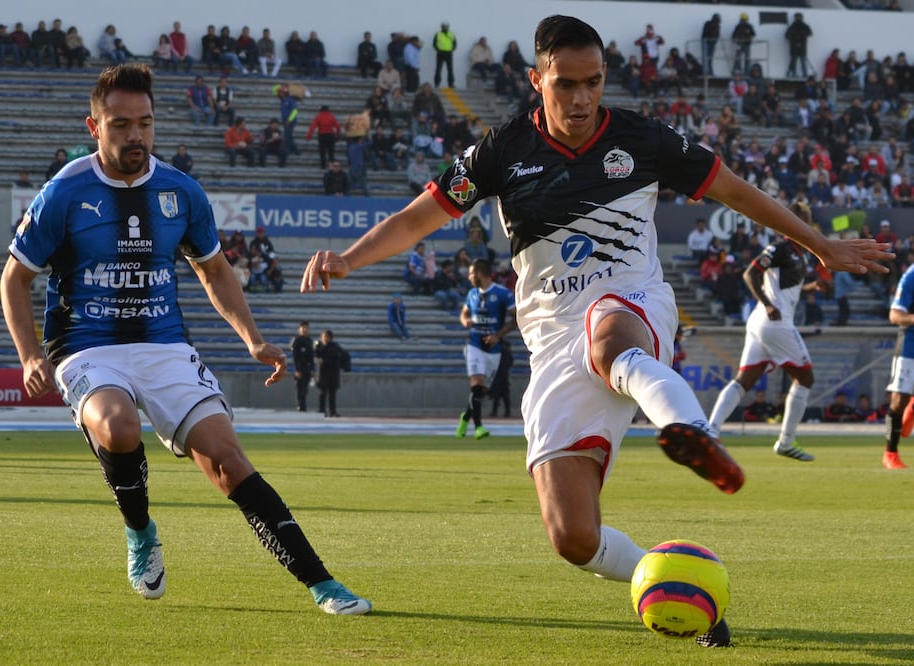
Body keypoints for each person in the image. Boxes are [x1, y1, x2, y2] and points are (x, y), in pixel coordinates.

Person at [299, 15, 892, 647]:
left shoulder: (644, 138)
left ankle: (690, 428)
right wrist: (349, 258)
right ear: (537, 80)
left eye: (594, 82)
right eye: (566, 84)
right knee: (573, 537)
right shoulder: (499, 152)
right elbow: (419, 217)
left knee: (609, 338)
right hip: (552, 335)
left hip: (631, 300)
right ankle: (679, 585)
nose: (582, 98)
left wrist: (820, 244)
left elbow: (734, 191)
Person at [0, 63, 370, 614]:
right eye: (121, 125)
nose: (136, 135)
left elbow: (214, 270)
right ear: (94, 127)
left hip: (165, 345)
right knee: (119, 426)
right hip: (86, 345)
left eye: (145, 123)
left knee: (228, 462)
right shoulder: (64, 193)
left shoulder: (181, 191)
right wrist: (29, 354)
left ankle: (322, 584)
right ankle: (140, 531)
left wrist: (252, 339)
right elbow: (15, 277)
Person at [708, 202, 828, 463]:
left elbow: (786, 287)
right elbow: (750, 274)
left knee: (744, 380)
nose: (804, 223)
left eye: (805, 218)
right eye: (799, 218)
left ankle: (711, 431)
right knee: (806, 378)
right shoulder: (780, 247)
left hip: (764, 322)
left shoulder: (799, 253)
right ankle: (786, 441)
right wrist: (767, 303)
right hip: (775, 321)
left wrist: (811, 287)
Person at [455, 258, 516, 440]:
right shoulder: (472, 294)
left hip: (493, 347)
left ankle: (465, 418)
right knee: (477, 384)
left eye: (471, 273)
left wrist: (498, 335)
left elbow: (516, 318)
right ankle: (479, 427)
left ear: (480, 273)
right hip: (474, 344)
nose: (469, 276)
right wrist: (465, 321)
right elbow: (464, 313)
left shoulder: (503, 294)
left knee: (481, 391)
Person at [882, 259, 914, 469]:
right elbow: (895, 314)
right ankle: (890, 453)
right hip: (910, 345)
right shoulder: (911, 276)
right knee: (898, 400)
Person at [315, 329, 346, 417]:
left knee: (332, 394)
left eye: (327, 337)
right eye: (323, 337)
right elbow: (315, 356)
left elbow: (342, 356)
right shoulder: (319, 347)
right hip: (323, 374)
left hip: (333, 374)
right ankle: (322, 410)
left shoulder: (335, 347)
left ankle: (333, 411)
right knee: (323, 393)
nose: (325, 339)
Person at [306, 105, 342, 170]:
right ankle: (331, 166)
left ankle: (323, 166)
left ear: (321, 110)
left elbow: (312, 127)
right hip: (330, 136)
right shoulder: (331, 117)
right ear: (328, 110)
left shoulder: (318, 117)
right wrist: (338, 135)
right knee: (331, 152)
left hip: (322, 136)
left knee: (322, 152)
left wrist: (309, 136)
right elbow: (338, 127)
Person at [291, 321, 316, 412]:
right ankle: (300, 405)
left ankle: (303, 405)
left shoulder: (310, 341)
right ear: (299, 329)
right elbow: (295, 357)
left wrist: (312, 369)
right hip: (300, 368)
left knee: (305, 388)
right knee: (299, 388)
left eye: (306, 328)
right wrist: (297, 370)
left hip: (307, 369)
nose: (305, 330)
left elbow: (311, 357)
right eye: (303, 328)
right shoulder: (297, 341)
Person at [489, 339, 514, 419]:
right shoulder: (508, 350)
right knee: (505, 395)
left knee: (497, 395)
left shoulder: (498, 350)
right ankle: (507, 411)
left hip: (498, 374)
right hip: (505, 374)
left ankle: (495, 411)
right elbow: (511, 362)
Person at [785, 13, 812, 79]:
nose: (797, 18)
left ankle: (804, 74)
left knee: (802, 61)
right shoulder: (792, 26)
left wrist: (801, 37)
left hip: (801, 47)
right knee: (794, 62)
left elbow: (810, 33)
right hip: (795, 47)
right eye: (797, 17)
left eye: (799, 17)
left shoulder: (804, 26)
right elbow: (786, 36)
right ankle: (794, 74)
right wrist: (793, 38)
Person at [433, 21, 457, 89]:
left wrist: (451, 49)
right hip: (440, 53)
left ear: (448, 27)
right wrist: (438, 49)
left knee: (450, 69)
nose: (445, 28)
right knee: (438, 69)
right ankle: (437, 83)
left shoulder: (451, 34)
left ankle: (451, 84)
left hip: (449, 53)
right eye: (444, 26)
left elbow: (455, 43)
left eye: (446, 26)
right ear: (442, 27)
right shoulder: (438, 34)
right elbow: (434, 43)